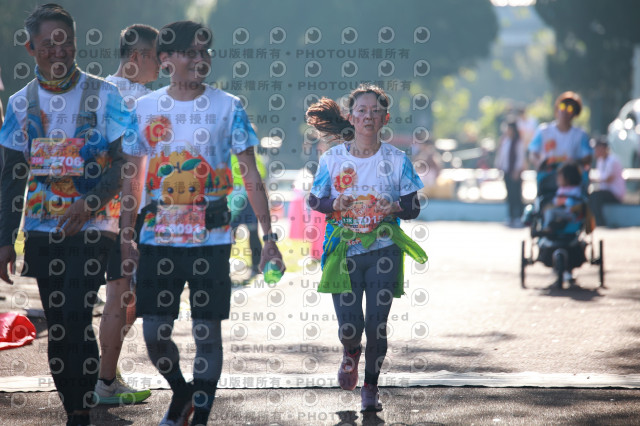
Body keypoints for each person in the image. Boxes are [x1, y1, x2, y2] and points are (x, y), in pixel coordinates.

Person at [120, 20, 284, 425]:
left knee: (207, 332)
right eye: (191, 52)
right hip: (157, 238)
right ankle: (181, 393)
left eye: (205, 52)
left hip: (211, 239)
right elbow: (133, 177)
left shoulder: (228, 106)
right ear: (166, 58)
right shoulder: (144, 108)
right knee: (154, 334)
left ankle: (202, 415)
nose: (201, 59)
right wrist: (125, 236)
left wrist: (269, 237)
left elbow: (251, 175)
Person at [0, 4, 134, 425]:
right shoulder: (19, 104)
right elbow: (12, 178)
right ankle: (73, 407)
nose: (58, 51)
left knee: (77, 314)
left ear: (75, 43)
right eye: (48, 44)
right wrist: (5, 240)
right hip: (42, 231)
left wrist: (90, 202)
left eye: (66, 42)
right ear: (31, 48)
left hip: (95, 228)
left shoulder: (105, 96)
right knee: (59, 324)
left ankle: (82, 412)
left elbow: (123, 163)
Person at [306, 84, 427, 412]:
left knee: (376, 325)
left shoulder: (397, 159)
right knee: (350, 328)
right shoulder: (333, 159)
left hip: (383, 250)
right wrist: (335, 203)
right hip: (343, 251)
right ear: (351, 117)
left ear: (385, 118)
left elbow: (413, 206)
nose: (368, 116)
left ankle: (371, 387)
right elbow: (315, 200)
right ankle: (350, 351)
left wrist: (393, 207)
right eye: (362, 111)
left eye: (376, 111)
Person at [94, 23, 159, 406]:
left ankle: (106, 372)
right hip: (131, 212)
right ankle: (104, 380)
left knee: (119, 296)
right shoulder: (148, 102)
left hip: (94, 208)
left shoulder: (95, 91)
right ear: (136, 57)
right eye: (156, 57)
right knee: (124, 297)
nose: (161, 66)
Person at [528, 91, 593, 172]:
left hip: (571, 177)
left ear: (575, 113)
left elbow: (588, 157)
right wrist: (540, 165)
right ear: (557, 109)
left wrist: (571, 163)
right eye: (562, 106)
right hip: (548, 175)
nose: (565, 111)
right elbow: (533, 153)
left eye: (570, 108)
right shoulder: (543, 130)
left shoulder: (580, 135)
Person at [495, 118, 526, 227]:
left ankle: (519, 217)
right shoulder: (505, 141)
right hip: (507, 171)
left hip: (515, 172)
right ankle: (511, 216)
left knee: (517, 195)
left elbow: (520, 157)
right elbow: (501, 155)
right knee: (509, 195)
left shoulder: (518, 142)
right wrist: (499, 166)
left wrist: (517, 170)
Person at [588, 138, 626, 226]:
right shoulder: (600, 161)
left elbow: (608, 179)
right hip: (605, 192)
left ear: (604, 148)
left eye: (598, 148)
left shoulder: (613, 160)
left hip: (615, 193)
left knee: (596, 196)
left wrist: (594, 180)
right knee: (592, 196)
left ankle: (600, 222)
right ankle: (594, 221)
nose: (596, 151)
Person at [541, 161, 584, 234]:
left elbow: (574, 202)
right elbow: (556, 201)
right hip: (561, 211)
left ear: (568, 177)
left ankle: (547, 227)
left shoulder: (576, 189)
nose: (558, 179)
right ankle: (551, 226)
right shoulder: (561, 189)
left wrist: (564, 201)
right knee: (548, 210)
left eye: (560, 177)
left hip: (572, 213)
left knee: (550, 211)